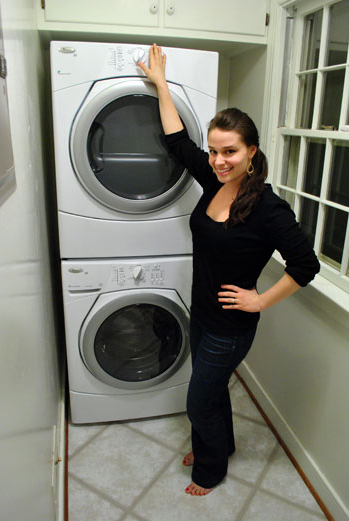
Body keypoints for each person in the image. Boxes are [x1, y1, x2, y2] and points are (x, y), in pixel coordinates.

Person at [137, 43, 320, 497]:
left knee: (199, 399)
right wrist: (161, 84)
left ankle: (210, 470)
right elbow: (178, 142)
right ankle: (219, 445)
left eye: (231, 152)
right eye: (216, 151)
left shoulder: (268, 209)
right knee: (213, 390)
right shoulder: (215, 179)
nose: (219, 160)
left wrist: (259, 298)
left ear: (252, 152)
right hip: (202, 312)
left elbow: (306, 264)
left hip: (232, 325)